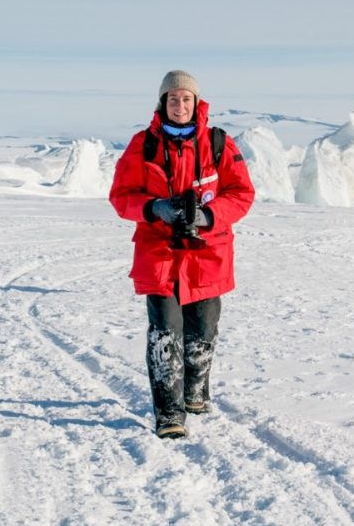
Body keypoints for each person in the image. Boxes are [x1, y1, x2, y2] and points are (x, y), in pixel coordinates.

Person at [109, 70, 255, 439]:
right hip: (159, 253)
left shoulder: (218, 143)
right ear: (163, 103)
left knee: (202, 332)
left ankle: (194, 392)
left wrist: (207, 215)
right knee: (164, 333)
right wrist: (153, 208)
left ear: (196, 102)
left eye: (186, 98)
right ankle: (169, 413)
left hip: (207, 255)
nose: (179, 105)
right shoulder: (143, 145)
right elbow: (121, 195)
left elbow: (242, 193)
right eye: (172, 99)